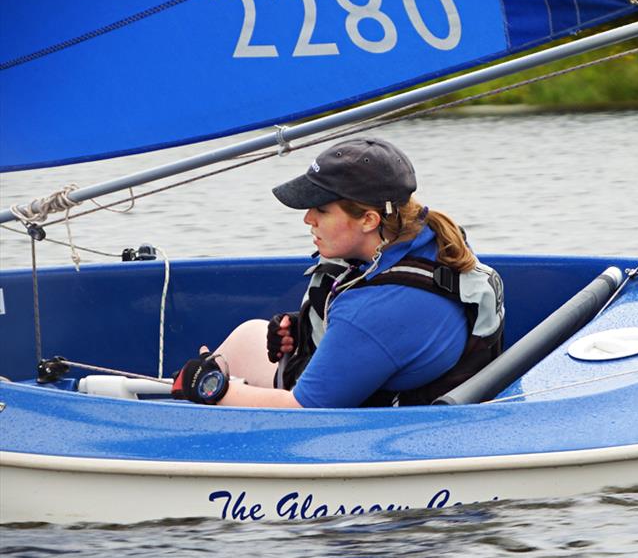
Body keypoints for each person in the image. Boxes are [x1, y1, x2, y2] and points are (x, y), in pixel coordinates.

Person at [172, 137, 504, 408]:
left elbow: (305, 412)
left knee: (204, 383)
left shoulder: (377, 310)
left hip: (367, 435)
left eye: (321, 209)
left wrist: (212, 389)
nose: (307, 220)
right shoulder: (427, 242)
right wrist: (305, 329)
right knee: (250, 336)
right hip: (393, 388)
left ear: (369, 220)